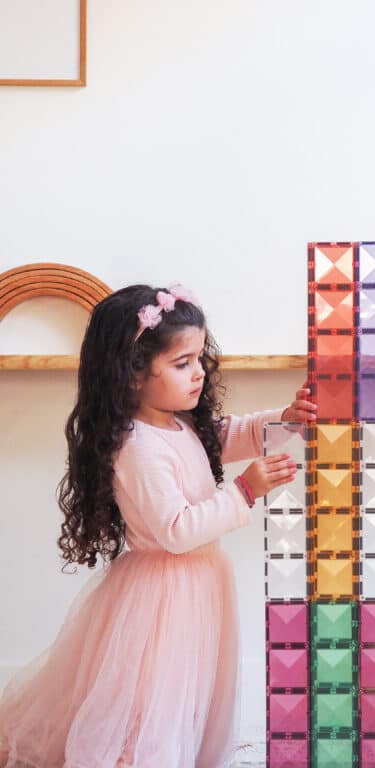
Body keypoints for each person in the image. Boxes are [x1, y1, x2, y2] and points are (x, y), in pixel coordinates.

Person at [0, 284, 316, 767]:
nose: (199, 373)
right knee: (154, 694)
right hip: (162, 595)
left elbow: (235, 433)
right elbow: (177, 530)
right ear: (132, 374)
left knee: (186, 688)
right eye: (182, 362)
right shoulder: (138, 446)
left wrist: (288, 420)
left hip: (196, 584)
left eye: (199, 358)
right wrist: (244, 491)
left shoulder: (178, 423)